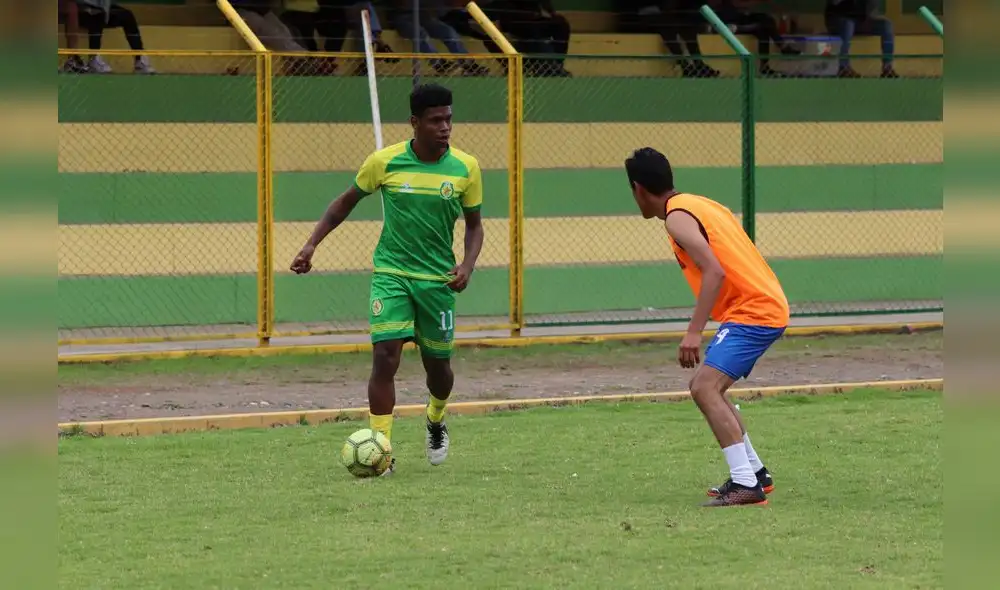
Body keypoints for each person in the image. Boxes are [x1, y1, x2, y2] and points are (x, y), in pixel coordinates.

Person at [290, 84, 486, 475]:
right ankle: (383, 449)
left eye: (448, 119)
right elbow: (346, 201)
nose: (444, 127)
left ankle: (435, 419)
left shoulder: (466, 168)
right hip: (391, 273)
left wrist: (467, 265)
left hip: (437, 280)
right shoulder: (384, 162)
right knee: (385, 357)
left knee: (438, 368)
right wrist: (312, 244)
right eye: (435, 120)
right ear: (415, 123)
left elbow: (475, 226)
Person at [624, 147, 789, 507]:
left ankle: (746, 484)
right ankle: (756, 473)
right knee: (713, 388)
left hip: (754, 311)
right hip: (756, 307)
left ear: (638, 189)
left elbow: (714, 271)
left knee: (703, 387)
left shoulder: (676, 218)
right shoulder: (700, 204)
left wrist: (693, 332)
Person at [75, 0, 155, 73]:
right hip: (80, 9)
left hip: (102, 8)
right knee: (97, 15)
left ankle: (139, 59)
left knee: (127, 16)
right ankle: (93, 59)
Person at [825, 0, 898, 78]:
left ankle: (887, 68)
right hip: (838, 19)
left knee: (886, 25)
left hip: (861, 20)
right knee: (848, 25)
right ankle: (843, 68)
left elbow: (872, 8)